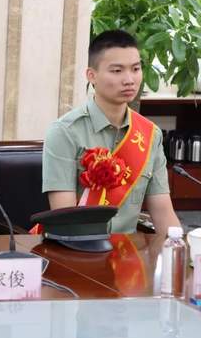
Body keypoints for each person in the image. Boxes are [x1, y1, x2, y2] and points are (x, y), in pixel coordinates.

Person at [42, 29, 180, 235]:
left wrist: (182, 250)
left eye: (135, 69)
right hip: (79, 247)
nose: (129, 79)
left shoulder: (150, 134)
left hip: (129, 251)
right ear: (92, 76)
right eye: (117, 71)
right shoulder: (65, 132)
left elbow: (163, 211)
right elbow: (65, 220)